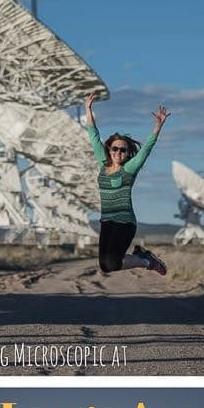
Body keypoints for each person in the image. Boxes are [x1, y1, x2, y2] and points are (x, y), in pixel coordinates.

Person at [85, 93, 171, 275]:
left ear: (126, 153)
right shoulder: (103, 163)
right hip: (107, 222)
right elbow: (93, 136)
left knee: (113, 262)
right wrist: (88, 109)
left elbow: (146, 149)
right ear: (109, 150)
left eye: (123, 150)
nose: (118, 152)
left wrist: (158, 126)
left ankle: (148, 261)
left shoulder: (129, 169)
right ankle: (145, 258)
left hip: (124, 222)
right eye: (114, 148)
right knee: (105, 266)